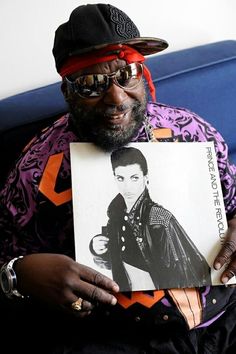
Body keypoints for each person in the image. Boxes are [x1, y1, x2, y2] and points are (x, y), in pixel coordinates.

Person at [0, 3, 236, 354]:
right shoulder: (37, 170)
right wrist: (19, 273)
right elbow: (6, 257)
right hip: (120, 337)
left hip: (225, 315)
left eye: (127, 73)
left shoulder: (192, 132)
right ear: (67, 90)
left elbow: (232, 204)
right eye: (92, 84)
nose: (116, 98)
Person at [90, 146, 211, 291]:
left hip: (162, 300)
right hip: (125, 296)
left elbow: (183, 272)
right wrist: (98, 249)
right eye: (120, 178)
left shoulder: (159, 218)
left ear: (145, 179)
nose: (127, 186)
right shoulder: (116, 216)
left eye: (134, 178)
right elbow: (112, 263)